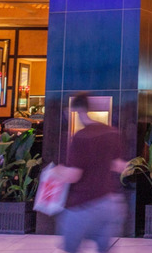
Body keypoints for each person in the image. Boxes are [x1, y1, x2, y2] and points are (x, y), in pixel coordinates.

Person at [54, 93, 126, 253]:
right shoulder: (112, 132)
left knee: (71, 248)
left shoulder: (81, 137)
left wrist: (57, 172)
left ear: (77, 109)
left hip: (83, 205)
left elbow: (74, 175)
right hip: (110, 204)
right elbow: (119, 165)